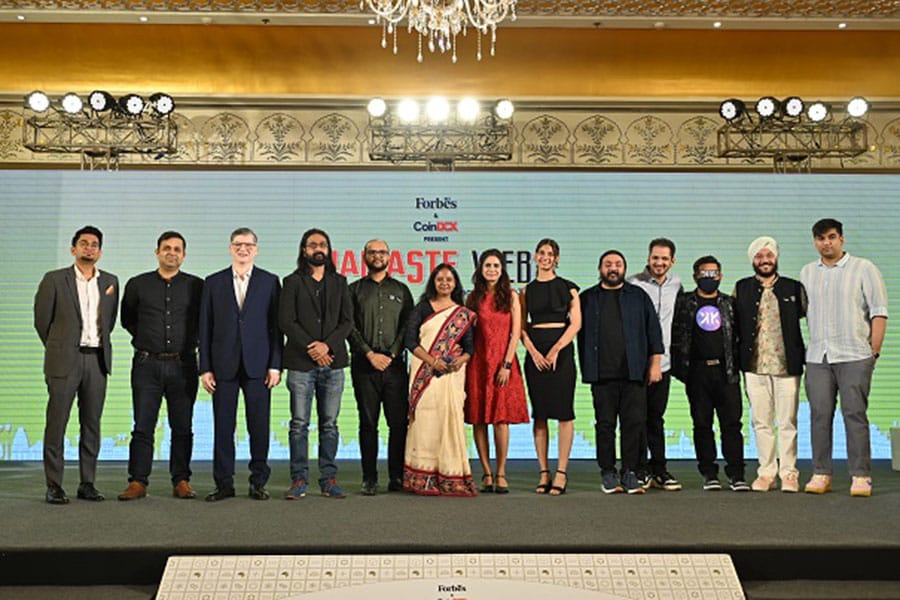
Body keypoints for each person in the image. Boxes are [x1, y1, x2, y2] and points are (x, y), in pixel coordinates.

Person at [800, 218, 887, 497]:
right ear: (815, 242)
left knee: (854, 414)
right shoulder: (807, 272)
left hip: (854, 355)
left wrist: (873, 352)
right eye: (821, 238)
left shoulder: (864, 268)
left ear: (841, 239)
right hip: (818, 356)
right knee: (819, 415)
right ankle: (821, 473)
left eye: (831, 237)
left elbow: (878, 311)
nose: (826, 243)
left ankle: (861, 475)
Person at [34, 225, 118, 504]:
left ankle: (87, 483)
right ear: (73, 249)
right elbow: (42, 321)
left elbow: (109, 322)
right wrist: (59, 347)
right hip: (64, 361)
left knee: (91, 424)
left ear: (100, 252)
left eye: (94, 244)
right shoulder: (54, 279)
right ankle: (54, 485)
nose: (89, 248)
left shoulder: (110, 281)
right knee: (57, 423)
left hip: (97, 361)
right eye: (84, 243)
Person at [118, 231, 204, 501]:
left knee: (183, 426)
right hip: (147, 364)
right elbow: (128, 319)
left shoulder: (197, 286)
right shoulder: (137, 284)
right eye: (167, 248)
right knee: (143, 425)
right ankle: (137, 482)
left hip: (184, 364)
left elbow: (204, 322)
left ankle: (181, 480)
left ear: (184, 255)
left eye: (177, 249)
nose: (171, 253)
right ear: (157, 252)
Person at [199, 227, 282, 502]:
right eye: (238, 244)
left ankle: (258, 482)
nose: (243, 249)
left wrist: (275, 365)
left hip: (259, 366)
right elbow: (205, 328)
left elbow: (276, 328)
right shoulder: (213, 282)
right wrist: (205, 367)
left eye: (248, 245)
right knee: (223, 428)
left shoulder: (270, 281)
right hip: (223, 365)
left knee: (259, 426)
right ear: (230, 248)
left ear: (256, 249)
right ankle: (224, 484)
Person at [580, 250, 663, 494]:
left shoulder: (638, 296)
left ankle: (630, 472)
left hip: (634, 372)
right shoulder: (587, 298)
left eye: (617, 264)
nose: (613, 268)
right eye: (608, 264)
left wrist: (655, 364)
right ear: (600, 269)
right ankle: (608, 472)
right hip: (601, 374)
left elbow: (653, 331)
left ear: (624, 268)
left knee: (633, 424)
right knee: (605, 425)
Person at [280, 228, 353, 500]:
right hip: (301, 363)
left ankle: (328, 480)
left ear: (328, 250)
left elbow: (347, 321)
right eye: (312, 245)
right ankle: (299, 480)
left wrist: (327, 346)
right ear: (304, 250)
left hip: (333, 363)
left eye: (323, 244)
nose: (318, 249)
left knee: (329, 424)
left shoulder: (340, 282)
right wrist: (313, 347)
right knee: (299, 424)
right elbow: (286, 321)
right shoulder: (292, 282)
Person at [734, 236, 807, 493]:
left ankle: (789, 473)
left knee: (787, 422)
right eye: (759, 256)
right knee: (761, 422)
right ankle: (766, 473)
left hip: (787, 366)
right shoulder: (741, 288)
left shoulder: (793, 287)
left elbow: (804, 316)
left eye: (769, 255)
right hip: (754, 366)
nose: (765, 260)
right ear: (753, 260)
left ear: (776, 258)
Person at [671, 256, 748, 491]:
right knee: (702, 424)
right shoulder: (684, 303)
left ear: (721, 276)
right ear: (695, 277)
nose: (709, 278)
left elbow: (739, 336)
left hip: (726, 372)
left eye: (713, 273)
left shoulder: (729, 303)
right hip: (697, 372)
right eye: (704, 274)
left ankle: (736, 474)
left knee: (732, 424)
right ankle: (709, 473)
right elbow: (675, 335)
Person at [403, 263, 477, 496]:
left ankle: (450, 475)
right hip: (426, 374)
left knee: (449, 420)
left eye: (449, 279)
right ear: (433, 283)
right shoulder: (422, 308)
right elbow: (410, 341)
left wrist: (461, 360)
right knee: (425, 421)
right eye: (440, 279)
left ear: (455, 284)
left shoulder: (461, 313)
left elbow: (469, 348)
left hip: (451, 376)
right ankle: (421, 477)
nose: (444, 283)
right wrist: (432, 361)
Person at [348, 239, 414, 495]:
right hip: (364, 366)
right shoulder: (353, 290)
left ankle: (396, 476)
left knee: (398, 424)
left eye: (382, 252)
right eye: (372, 252)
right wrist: (369, 354)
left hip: (395, 367)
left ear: (389, 256)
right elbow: (349, 327)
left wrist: (393, 353)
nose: (378, 256)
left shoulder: (401, 290)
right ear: (364, 256)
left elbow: (408, 326)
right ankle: (369, 478)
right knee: (368, 423)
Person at [464, 249, 529, 494]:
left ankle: (501, 472)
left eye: (496, 266)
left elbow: (516, 332)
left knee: (501, 420)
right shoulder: (472, 298)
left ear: (502, 270)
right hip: (478, 365)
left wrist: (507, 364)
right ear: (480, 269)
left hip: (503, 364)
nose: (491, 270)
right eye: (487, 266)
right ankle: (486, 472)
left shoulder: (511, 296)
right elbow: (467, 332)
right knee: (479, 419)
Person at [520, 239, 581, 496]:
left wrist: (556, 349)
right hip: (535, 352)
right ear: (535, 256)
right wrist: (533, 352)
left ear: (556, 258)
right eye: (542, 252)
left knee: (564, 412)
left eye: (550, 253)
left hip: (562, 351)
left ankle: (561, 472)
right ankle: (544, 471)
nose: (545, 257)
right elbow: (521, 327)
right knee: (540, 413)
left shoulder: (569, 288)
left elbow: (576, 324)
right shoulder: (526, 291)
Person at [628, 238, 683, 491]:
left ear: (672, 261)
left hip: (664, 364)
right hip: (637, 364)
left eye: (664, 258)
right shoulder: (633, 283)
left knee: (656, 418)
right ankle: (639, 469)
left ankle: (659, 469)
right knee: (636, 418)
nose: (659, 263)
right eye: (655, 258)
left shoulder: (677, 284)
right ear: (648, 258)